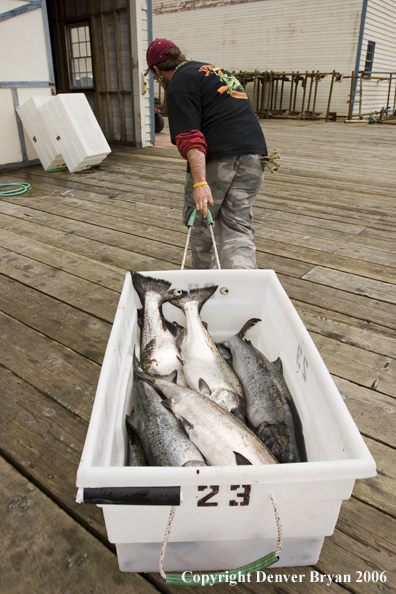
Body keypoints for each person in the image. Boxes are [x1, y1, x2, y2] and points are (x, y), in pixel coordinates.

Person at [145, 38, 268, 269]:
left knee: (201, 223)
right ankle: (241, 288)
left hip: (219, 159)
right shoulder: (216, 71)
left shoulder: (179, 83)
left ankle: (204, 286)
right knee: (238, 226)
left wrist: (200, 183)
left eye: (153, 76)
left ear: (156, 71)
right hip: (255, 156)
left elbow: (191, 138)